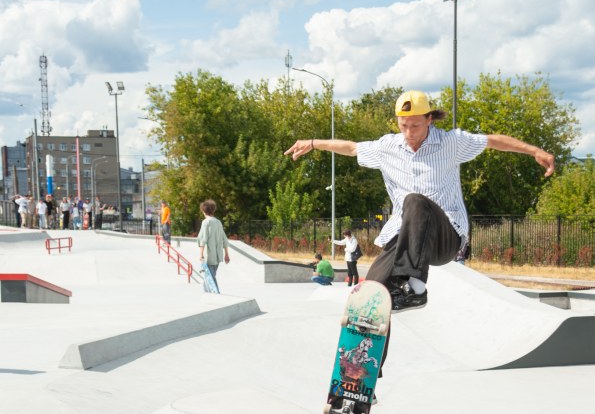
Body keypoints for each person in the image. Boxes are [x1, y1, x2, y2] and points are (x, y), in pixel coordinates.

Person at [285, 89, 554, 311]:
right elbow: (353, 148)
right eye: (404, 126)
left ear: (429, 120)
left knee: (415, 201)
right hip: (404, 237)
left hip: (445, 237)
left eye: (415, 125)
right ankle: (363, 368)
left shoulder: (452, 142)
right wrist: (313, 142)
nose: (409, 132)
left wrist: (533, 151)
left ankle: (415, 287)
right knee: (372, 294)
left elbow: (493, 141)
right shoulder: (387, 147)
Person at [196, 199, 230, 292]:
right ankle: (208, 295)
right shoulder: (218, 222)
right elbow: (224, 239)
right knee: (209, 277)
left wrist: (201, 254)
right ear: (213, 210)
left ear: (204, 211)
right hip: (218, 256)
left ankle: (216, 294)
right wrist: (226, 254)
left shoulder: (206, 222)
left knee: (210, 278)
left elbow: (202, 239)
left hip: (209, 256)